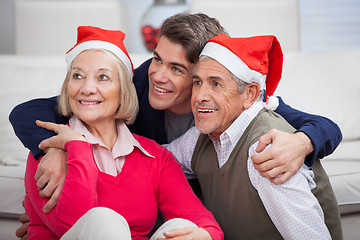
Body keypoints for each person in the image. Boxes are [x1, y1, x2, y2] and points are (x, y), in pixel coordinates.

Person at [11, 13, 342, 239]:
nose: (159, 75)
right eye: (157, 58)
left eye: (178, 70)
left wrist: (302, 142)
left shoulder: (247, 113)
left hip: (190, 207)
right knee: (104, 220)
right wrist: (52, 149)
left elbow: (323, 125)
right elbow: (36, 109)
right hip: (96, 223)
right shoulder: (138, 81)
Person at [23, 25, 223, 240]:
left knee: (182, 226)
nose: (87, 88)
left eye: (102, 77)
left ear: (124, 90)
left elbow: (202, 220)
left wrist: (206, 235)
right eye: (77, 76)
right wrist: (77, 147)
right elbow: (70, 225)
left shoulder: (156, 157)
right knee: (103, 220)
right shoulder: (48, 152)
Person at [166, 33, 342, 239]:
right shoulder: (201, 136)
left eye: (216, 84)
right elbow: (157, 162)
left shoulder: (268, 152)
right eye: (197, 82)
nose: (200, 97)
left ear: (250, 94)